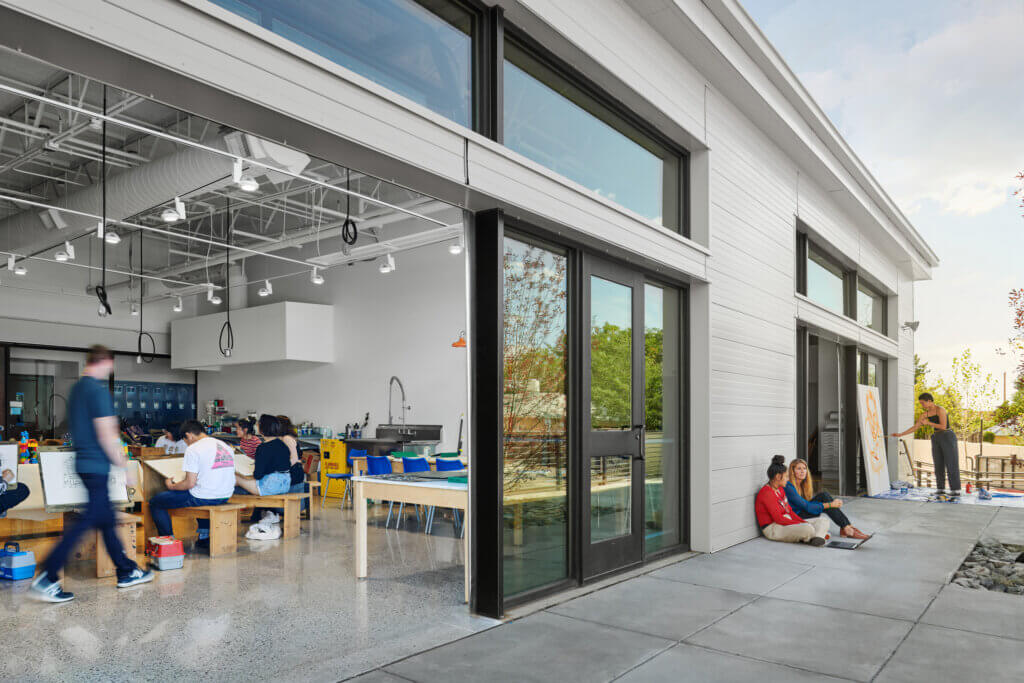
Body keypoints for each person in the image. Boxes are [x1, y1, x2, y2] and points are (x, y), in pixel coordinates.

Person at [31, 345, 153, 603]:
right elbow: (107, 433)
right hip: (96, 465)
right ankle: (48, 574)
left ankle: (125, 571)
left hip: (84, 462)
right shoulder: (97, 390)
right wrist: (125, 467)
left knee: (106, 520)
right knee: (88, 522)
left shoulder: (77, 389)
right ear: (106, 362)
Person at [148, 420, 235, 538]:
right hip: (225, 495)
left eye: (186, 441)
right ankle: (204, 536)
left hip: (205, 497)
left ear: (189, 435)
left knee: (156, 502)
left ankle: (168, 541)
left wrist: (172, 486)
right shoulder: (225, 446)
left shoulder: (194, 449)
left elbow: (189, 483)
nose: (188, 444)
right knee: (200, 488)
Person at [892, 393, 961, 496]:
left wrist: (928, 423)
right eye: (921, 403)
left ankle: (955, 490)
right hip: (936, 437)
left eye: (923, 403)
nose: (922, 405)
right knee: (938, 464)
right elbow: (915, 427)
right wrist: (901, 434)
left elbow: (943, 426)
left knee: (951, 463)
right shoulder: (924, 415)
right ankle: (940, 489)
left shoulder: (940, 410)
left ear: (929, 401)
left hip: (947, 436)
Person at [786, 459, 870, 540]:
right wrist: (831, 504)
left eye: (804, 468)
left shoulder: (803, 485)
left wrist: (830, 504)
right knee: (826, 500)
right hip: (796, 517)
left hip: (803, 513)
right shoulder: (789, 486)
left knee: (824, 496)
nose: (802, 471)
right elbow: (807, 507)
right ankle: (846, 528)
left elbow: (808, 505)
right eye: (799, 468)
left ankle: (846, 527)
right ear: (792, 471)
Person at [755, 455, 829, 545]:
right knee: (807, 528)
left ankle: (815, 538)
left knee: (823, 520)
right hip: (773, 528)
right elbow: (779, 519)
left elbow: (789, 511)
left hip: (785, 521)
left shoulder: (780, 489)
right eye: (786, 476)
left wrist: (802, 522)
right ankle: (817, 535)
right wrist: (801, 524)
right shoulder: (767, 493)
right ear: (778, 477)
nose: (788, 479)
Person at [235, 414, 292, 496]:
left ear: (261, 429)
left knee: (236, 478)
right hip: (285, 484)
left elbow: (258, 475)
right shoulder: (283, 445)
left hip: (270, 486)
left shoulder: (263, 448)